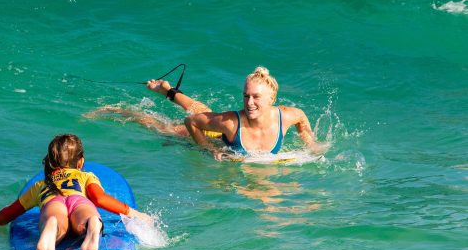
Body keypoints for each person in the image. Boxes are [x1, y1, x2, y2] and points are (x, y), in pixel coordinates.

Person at [86, 66, 327, 161]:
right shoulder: (232, 122)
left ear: (272, 99)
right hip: (216, 134)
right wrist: (208, 148)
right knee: (166, 127)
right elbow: (191, 121)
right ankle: (116, 110)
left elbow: (303, 120)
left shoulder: (288, 115)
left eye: (256, 97)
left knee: (208, 113)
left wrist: (311, 143)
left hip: (218, 125)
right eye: (246, 96)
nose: (249, 102)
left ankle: (168, 91)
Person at [0, 134, 152, 250]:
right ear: (80, 162)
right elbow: (99, 199)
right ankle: (92, 223)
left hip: (52, 203)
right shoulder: (85, 176)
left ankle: (51, 226)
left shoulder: (40, 184)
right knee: (85, 218)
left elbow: (7, 214)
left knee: (55, 220)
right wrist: (134, 214)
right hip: (78, 200)